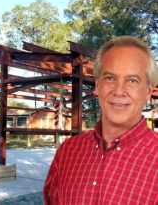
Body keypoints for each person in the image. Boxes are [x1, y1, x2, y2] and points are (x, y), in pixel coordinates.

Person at [44, 36, 158, 204]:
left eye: (132, 80)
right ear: (97, 86)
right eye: (110, 78)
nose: (119, 91)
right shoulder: (67, 152)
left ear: (148, 91)